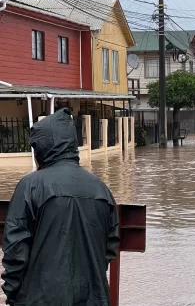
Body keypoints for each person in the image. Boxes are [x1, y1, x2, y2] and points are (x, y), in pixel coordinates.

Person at [1, 108, 119, 306]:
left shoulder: (30, 186)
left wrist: (14, 297)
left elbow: (15, 252)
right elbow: (109, 249)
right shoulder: (102, 189)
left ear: (42, 147)